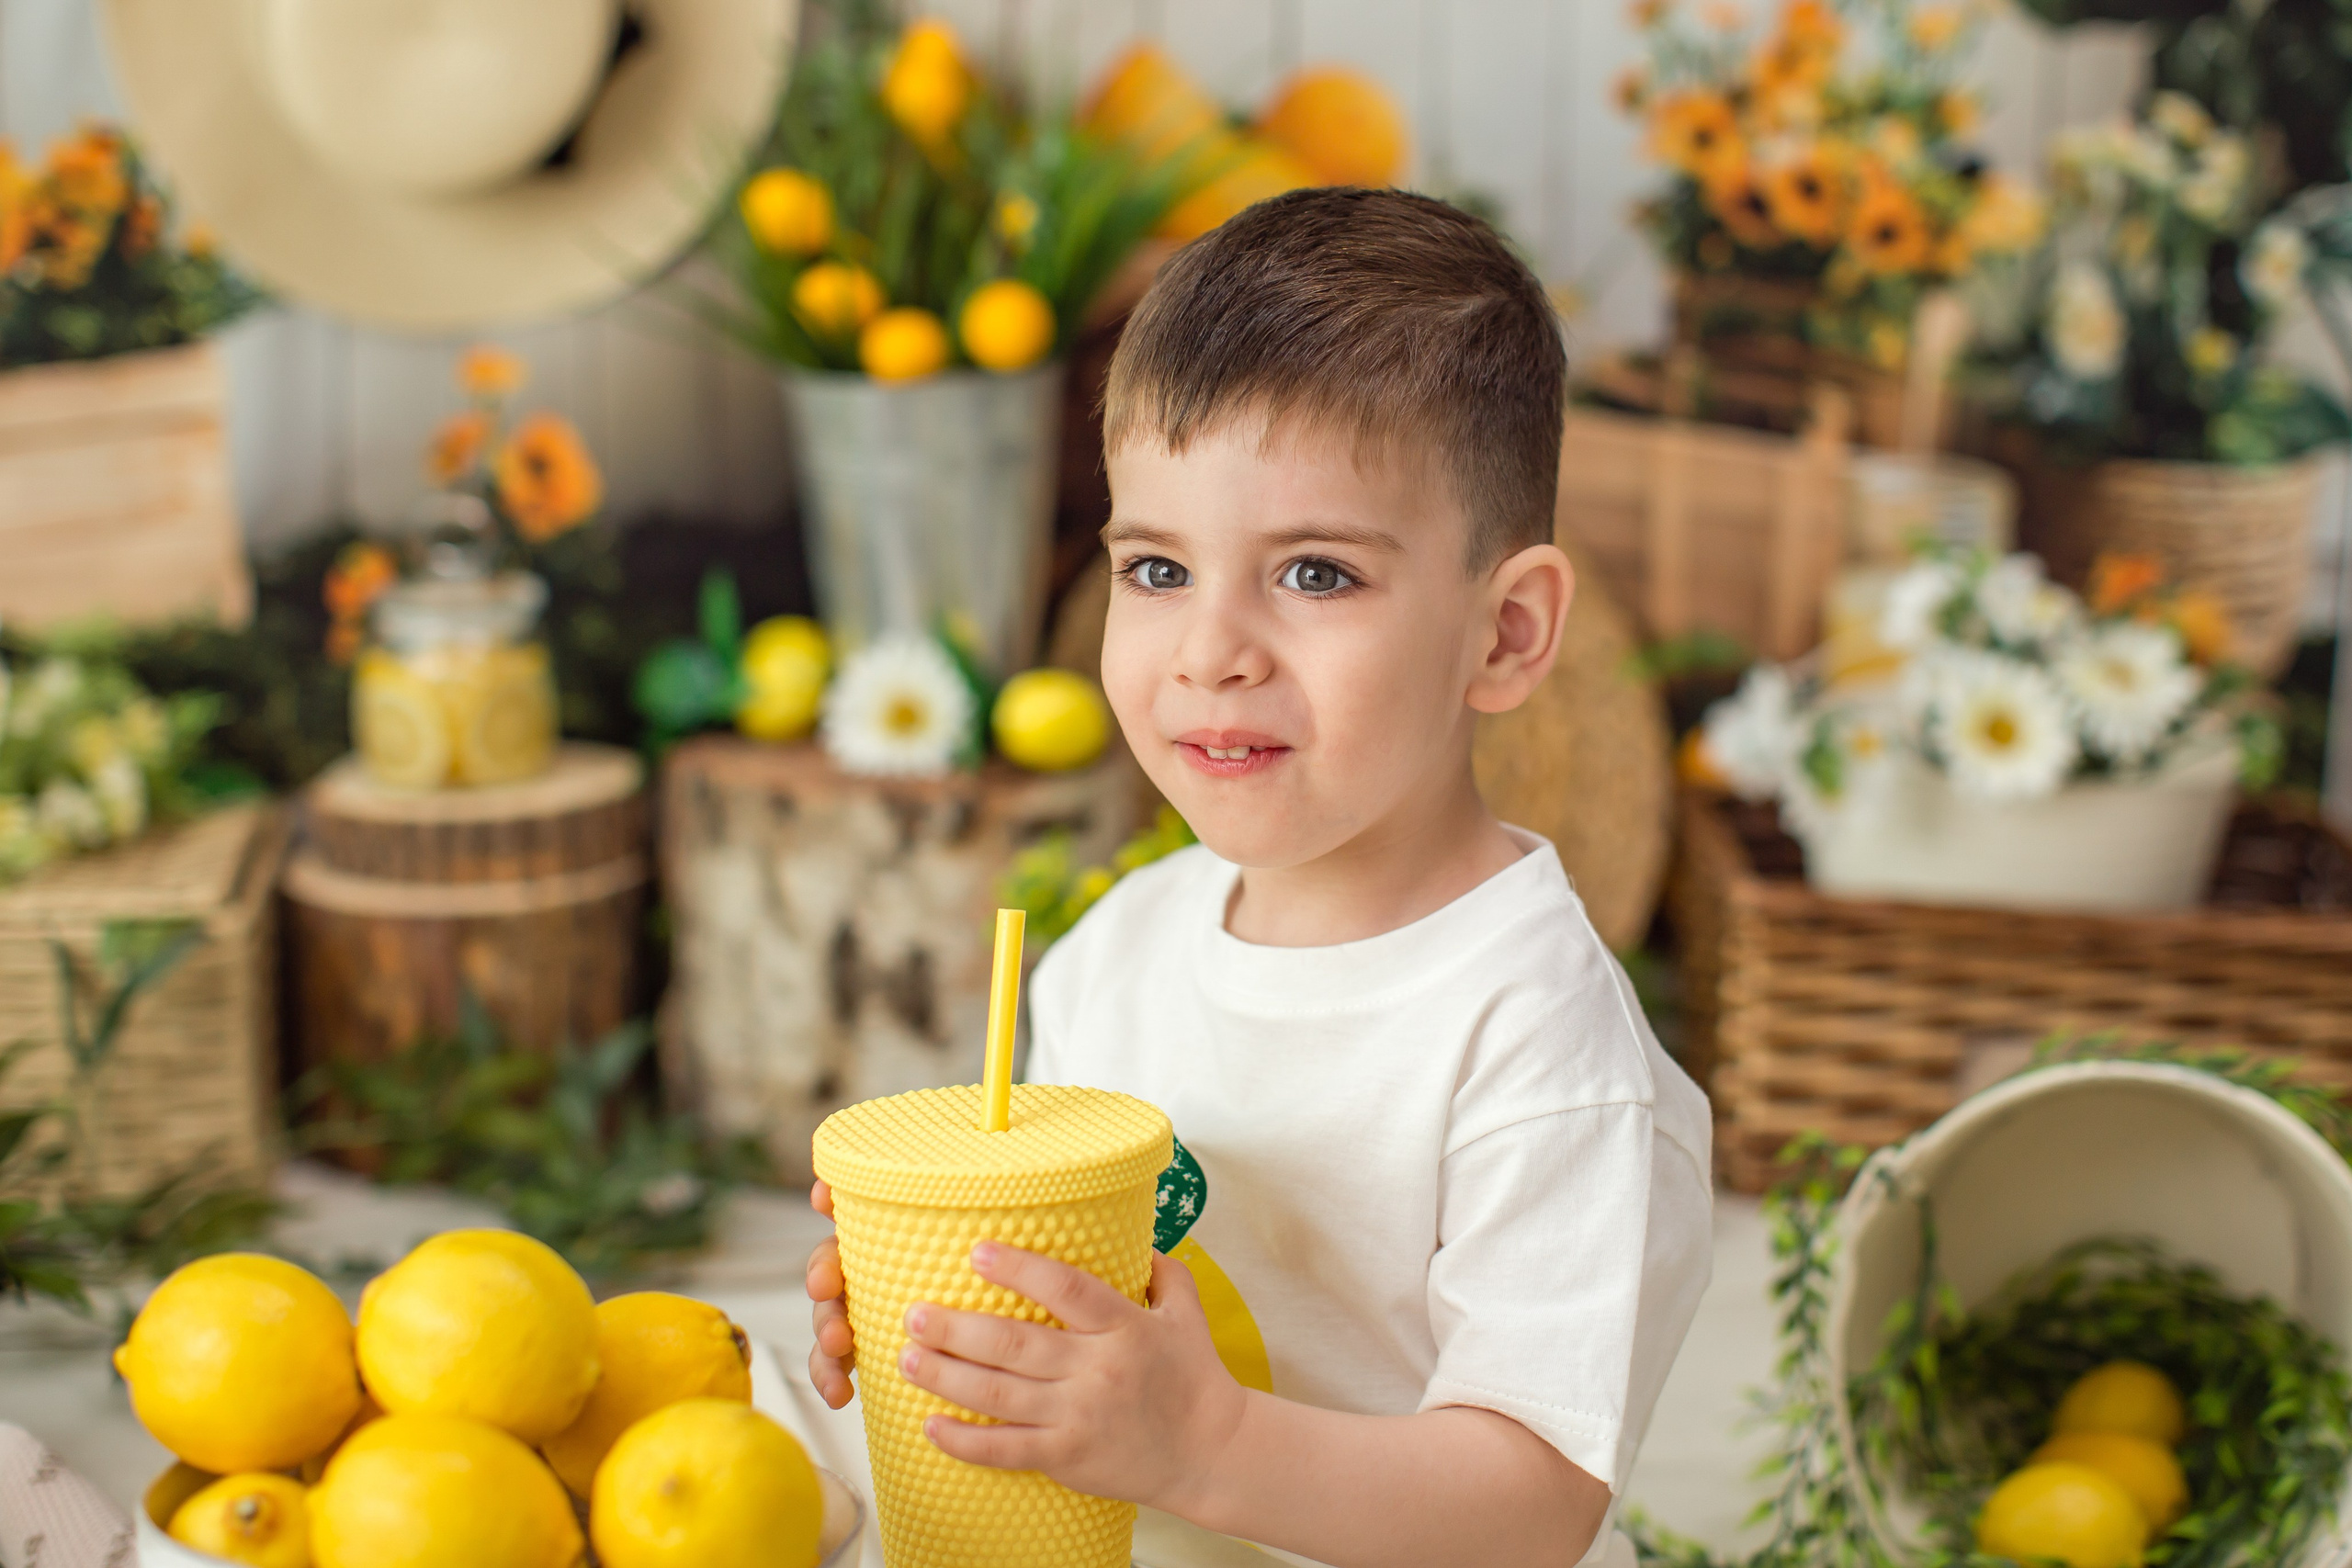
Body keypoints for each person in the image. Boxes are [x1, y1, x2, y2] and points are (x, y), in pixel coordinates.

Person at [805, 186, 1713, 1568]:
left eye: (1315, 575)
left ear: (1506, 633)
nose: (1209, 652)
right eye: (1158, 569)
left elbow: (1533, 1500)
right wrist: (955, 1316)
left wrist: (1206, 1447)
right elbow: (1104, 1319)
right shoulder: (1117, 951)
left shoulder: (1539, 1041)